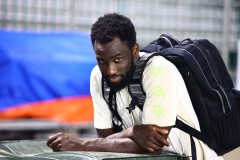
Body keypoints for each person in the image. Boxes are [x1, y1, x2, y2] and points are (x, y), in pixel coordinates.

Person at [47, 13, 223, 159]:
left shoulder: (157, 70)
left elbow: (153, 146)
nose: (110, 70)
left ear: (134, 50)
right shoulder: (97, 76)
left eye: (117, 59)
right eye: (102, 61)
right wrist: (132, 132)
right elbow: (106, 141)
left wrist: (81, 144)